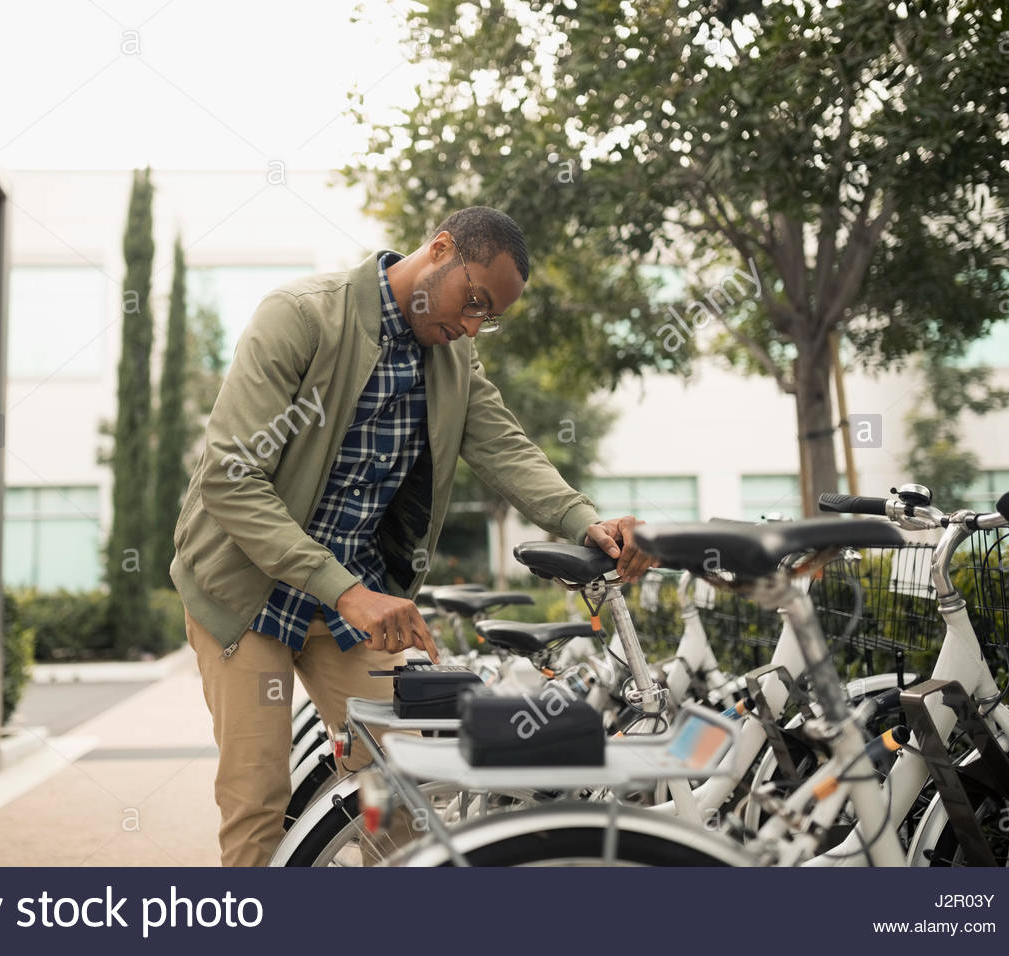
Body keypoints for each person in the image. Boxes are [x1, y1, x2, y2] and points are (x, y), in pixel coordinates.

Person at [169, 205, 655, 866]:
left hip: (351, 606)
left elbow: (506, 449)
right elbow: (229, 478)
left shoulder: (454, 355)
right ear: (441, 248)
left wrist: (583, 520)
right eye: (473, 300)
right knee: (258, 799)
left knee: (397, 794)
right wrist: (345, 592)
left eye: (490, 316)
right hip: (250, 595)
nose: (472, 325)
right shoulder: (304, 316)